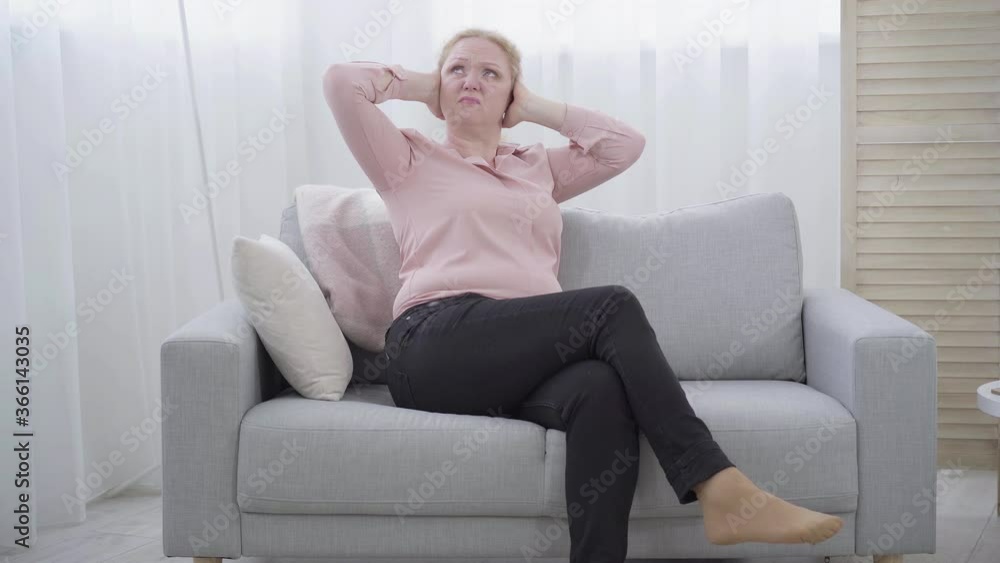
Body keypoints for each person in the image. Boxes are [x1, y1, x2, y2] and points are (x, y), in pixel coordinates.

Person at [323, 27, 843, 563]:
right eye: (458, 69)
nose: (470, 80)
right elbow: (342, 83)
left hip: (520, 355)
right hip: (432, 345)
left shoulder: (537, 168)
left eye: (490, 74)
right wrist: (424, 84)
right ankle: (718, 484)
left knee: (599, 388)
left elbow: (624, 145)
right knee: (610, 306)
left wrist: (536, 108)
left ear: (511, 96)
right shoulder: (408, 159)